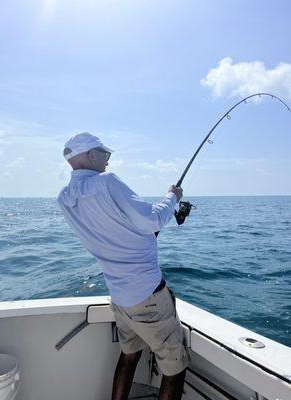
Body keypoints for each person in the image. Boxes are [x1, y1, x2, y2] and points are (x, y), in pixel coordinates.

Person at [58, 132, 190, 400]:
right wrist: (172, 197)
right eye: (104, 154)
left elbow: (114, 234)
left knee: (129, 357)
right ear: (89, 155)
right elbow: (152, 220)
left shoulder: (65, 198)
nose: (108, 160)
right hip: (148, 297)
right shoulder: (106, 182)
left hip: (119, 298)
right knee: (174, 368)